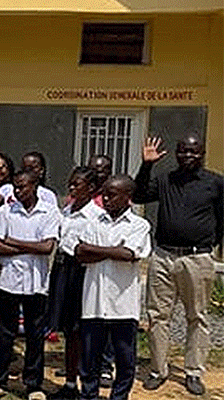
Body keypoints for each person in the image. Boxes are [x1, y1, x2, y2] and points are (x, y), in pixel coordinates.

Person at [134, 134, 224, 395]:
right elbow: (139, 196)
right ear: (176, 153)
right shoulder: (165, 180)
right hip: (162, 256)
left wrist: (208, 246)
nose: (188, 156)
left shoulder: (215, 183)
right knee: (157, 315)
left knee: (197, 316)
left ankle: (194, 372)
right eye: (183, 151)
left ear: (203, 153)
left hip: (197, 259)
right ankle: (158, 370)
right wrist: (147, 165)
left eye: (194, 152)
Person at [74, 175, 152, 400]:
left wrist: (96, 250)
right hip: (94, 302)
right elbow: (80, 254)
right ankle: (88, 395)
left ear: (128, 197)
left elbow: (130, 254)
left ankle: (119, 397)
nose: (105, 198)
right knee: (90, 358)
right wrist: (113, 251)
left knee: (125, 359)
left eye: (112, 194)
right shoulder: (93, 222)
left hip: (123, 304)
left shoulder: (140, 225)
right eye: (104, 193)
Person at [0, 171, 60, 400]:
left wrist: (13, 242)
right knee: (5, 335)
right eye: (16, 187)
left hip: (36, 283)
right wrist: (30, 247)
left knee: (35, 335)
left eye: (23, 187)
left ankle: (33, 385)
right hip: (8, 282)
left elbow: (47, 247)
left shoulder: (49, 212)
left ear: (35, 186)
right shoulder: (6, 210)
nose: (18, 192)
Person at [48, 167, 104, 400]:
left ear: (91, 189)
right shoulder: (67, 211)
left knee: (83, 329)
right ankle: (70, 383)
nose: (71, 188)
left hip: (81, 272)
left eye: (77, 184)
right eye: (70, 184)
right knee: (68, 329)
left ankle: (89, 383)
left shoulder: (96, 216)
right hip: (63, 270)